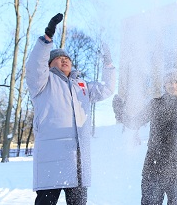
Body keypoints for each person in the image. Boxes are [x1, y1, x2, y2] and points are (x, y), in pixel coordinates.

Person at [26, 13, 116, 205]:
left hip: (78, 162)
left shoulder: (81, 85)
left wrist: (108, 64)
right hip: (52, 159)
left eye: (66, 57)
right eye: (58, 58)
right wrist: (47, 39)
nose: (64, 60)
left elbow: (107, 89)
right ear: (49, 64)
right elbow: (35, 66)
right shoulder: (43, 83)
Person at [112, 68, 177, 205]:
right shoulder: (155, 104)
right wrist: (120, 111)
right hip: (154, 171)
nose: (173, 86)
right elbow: (134, 122)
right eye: (169, 82)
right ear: (164, 85)